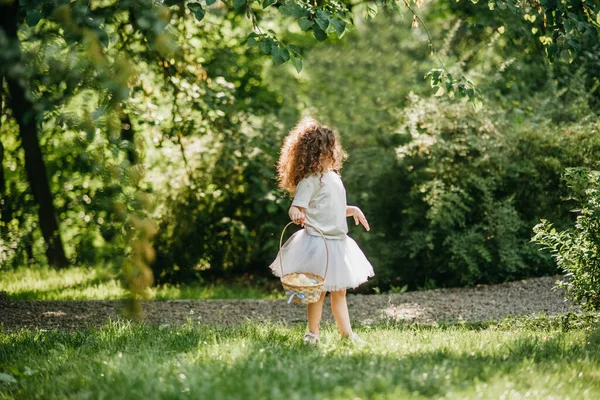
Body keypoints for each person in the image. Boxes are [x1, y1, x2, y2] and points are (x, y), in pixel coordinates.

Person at [269, 117, 374, 345]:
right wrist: (296, 213)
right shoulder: (311, 181)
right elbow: (296, 207)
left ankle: (347, 334)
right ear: (316, 153)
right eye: (329, 150)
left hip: (338, 244)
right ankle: (313, 333)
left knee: (340, 293)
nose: (334, 154)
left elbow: (332, 208)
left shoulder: (334, 178)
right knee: (317, 292)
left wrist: (352, 209)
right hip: (318, 243)